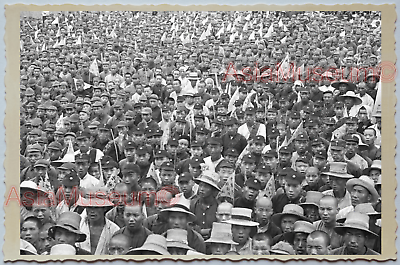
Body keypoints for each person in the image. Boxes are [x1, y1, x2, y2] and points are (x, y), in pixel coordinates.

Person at [76, 189, 120, 255]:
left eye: (96, 207)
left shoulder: (114, 230)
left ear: (104, 208)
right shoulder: (78, 226)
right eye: (89, 207)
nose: (92, 211)